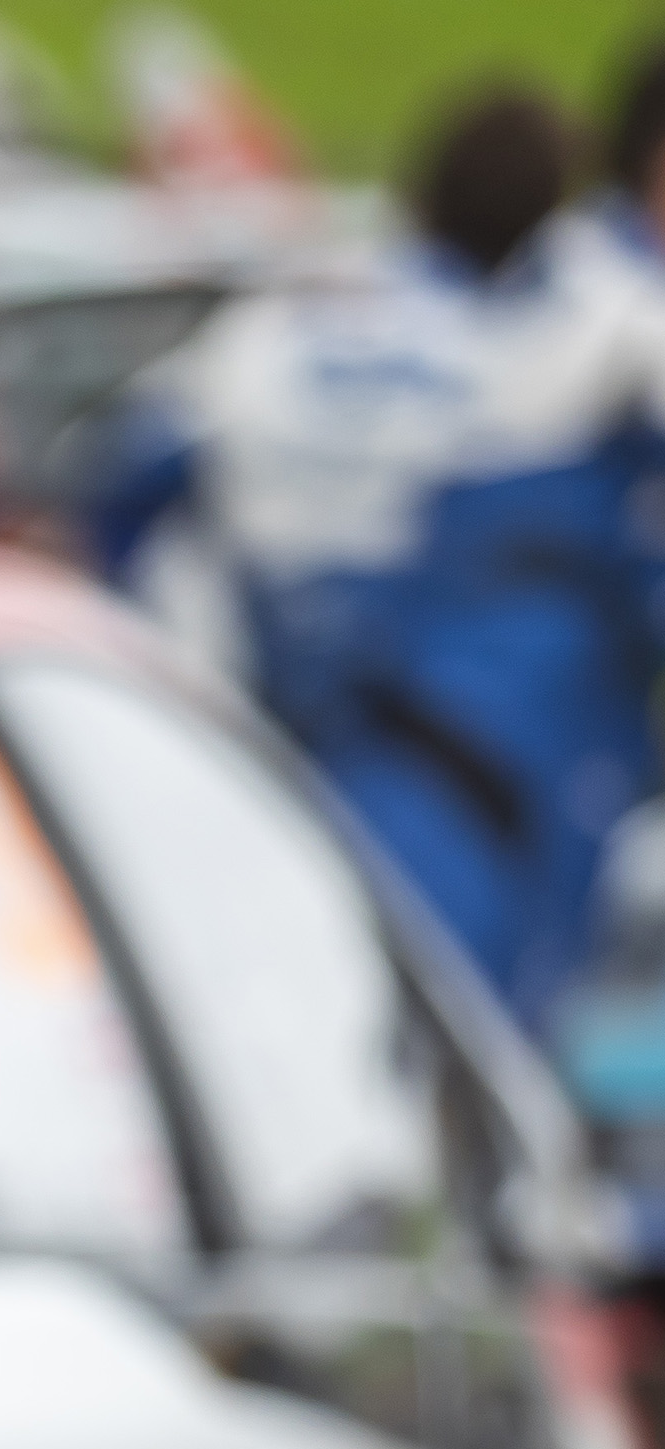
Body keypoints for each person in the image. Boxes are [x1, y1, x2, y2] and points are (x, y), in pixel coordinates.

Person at [88, 84, 665, 1021]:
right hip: (472, 768)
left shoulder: (285, 321)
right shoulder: (576, 343)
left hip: (257, 749)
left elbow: (122, 482)